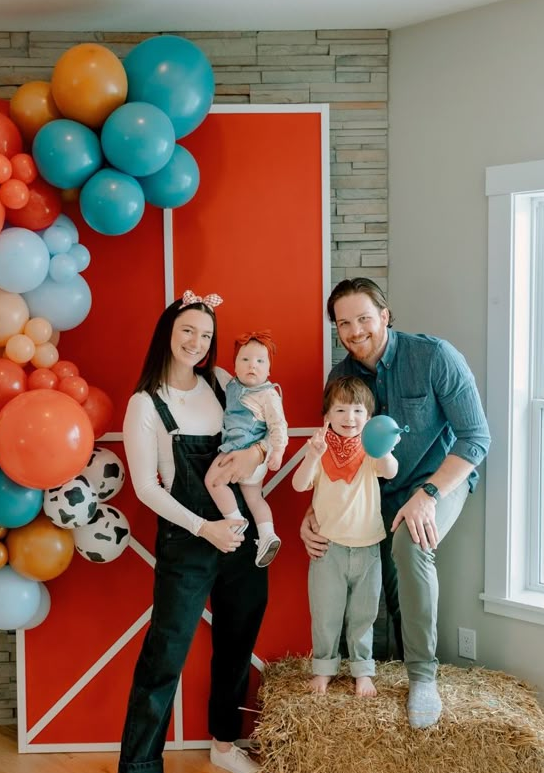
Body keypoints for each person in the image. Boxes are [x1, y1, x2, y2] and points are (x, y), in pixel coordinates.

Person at [300, 277, 490, 729]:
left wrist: (428, 496)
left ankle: (424, 677)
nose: (354, 330)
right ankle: (383, 670)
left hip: (436, 480)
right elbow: (334, 454)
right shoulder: (340, 378)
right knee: (381, 583)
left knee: (409, 544)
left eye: (364, 318)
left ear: (385, 316)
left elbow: (475, 437)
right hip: (371, 491)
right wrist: (315, 512)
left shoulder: (435, 357)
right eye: (343, 323)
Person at [118, 289, 269, 773]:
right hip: (189, 538)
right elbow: (145, 488)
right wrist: (203, 527)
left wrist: (256, 458)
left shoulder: (223, 383)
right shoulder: (145, 403)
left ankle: (224, 745)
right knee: (165, 654)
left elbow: (262, 437)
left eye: (206, 335)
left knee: (236, 638)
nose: (197, 342)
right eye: (188, 330)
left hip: (239, 532)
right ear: (168, 332)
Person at [293, 375, 398, 697]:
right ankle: (324, 669)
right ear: (326, 417)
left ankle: (362, 670)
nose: (348, 418)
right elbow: (299, 484)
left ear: (368, 418)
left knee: (363, 616)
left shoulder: (370, 453)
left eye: (356, 411)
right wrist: (312, 454)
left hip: (367, 547)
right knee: (326, 614)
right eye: (339, 411)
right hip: (329, 548)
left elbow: (391, 471)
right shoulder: (320, 452)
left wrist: (384, 446)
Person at [205, 331, 288, 568]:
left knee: (213, 482)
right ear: (235, 366)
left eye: (260, 361)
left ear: (269, 370)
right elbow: (215, 372)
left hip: (240, 451)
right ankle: (267, 535)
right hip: (253, 462)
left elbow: (278, 425)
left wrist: (278, 452)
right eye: (245, 360)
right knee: (254, 498)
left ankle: (235, 520)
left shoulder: (268, 394)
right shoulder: (231, 383)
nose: (252, 365)